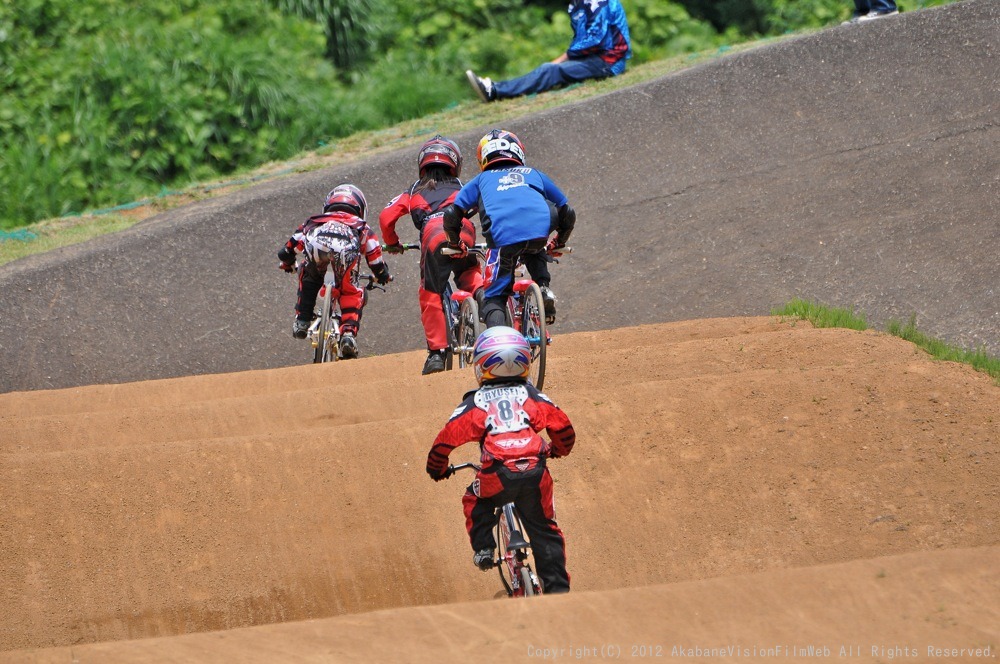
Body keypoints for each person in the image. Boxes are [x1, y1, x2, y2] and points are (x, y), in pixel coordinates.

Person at [426, 326, 576, 593]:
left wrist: (436, 468)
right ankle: (559, 593)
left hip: (498, 474)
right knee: (545, 531)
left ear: (483, 364)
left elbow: (445, 440)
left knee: (475, 498)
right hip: (535, 470)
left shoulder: (476, 401)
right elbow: (563, 427)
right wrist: (557, 449)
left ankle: (484, 547)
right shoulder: (532, 395)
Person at [442, 129, 575, 329]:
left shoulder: (481, 180)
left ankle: (498, 344)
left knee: (493, 297)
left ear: (484, 157)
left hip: (503, 240)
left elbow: (452, 215)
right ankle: (544, 288)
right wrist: (560, 241)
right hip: (539, 232)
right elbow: (567, 212)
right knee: (533, 246)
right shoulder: (534, 174)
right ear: (518, 151)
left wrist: (454, 242)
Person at [379, 136, 484, 375]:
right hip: (463, 230)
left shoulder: (414, 191)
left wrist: (393, 243)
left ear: (422, 164)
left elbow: (386, 218)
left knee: (430, 292)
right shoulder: (461, 186)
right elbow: (480, 204)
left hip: (433, 234)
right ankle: (483, 297)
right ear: (454, 163)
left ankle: (436, 354)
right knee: (469, 272)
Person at [277, 183, 391, 359]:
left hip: (317, 245)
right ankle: (347, 335)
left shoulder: (314, 221)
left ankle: (302, 320)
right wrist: (382, 274)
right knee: (351, 291)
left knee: (309, 277)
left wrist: (288, 262)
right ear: (360, 208)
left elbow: (288, 248)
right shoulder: (362, 226)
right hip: (345, 250)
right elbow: (375, 258)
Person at [465, 0, 631, 103]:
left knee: (551, 69)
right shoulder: (575, 5)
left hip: (608, 62)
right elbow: (581, 39)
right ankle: (496, 87)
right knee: (551, 69)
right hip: (592, 60)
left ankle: (495, 91)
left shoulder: (597, 1)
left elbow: (596, 39)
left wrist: (561, 59)